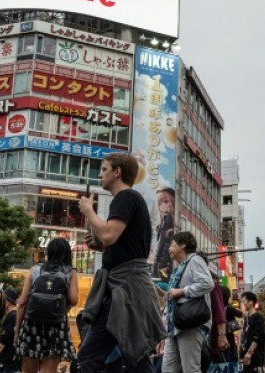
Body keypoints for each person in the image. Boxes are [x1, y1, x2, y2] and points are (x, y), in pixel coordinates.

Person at [78, 152, 165, 373]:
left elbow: (109, 235)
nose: (100, 175)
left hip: (123, 289)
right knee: (134, 355)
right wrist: (100, 247)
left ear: (117, 172)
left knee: (90, 357)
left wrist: (89, 211)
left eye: (104, 169)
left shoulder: (126, 197)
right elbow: (121, 244)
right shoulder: (132, 199)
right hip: (125, 288)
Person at [16, 238, 78, 372]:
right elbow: (73, 299)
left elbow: (22, 303)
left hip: (32, 323)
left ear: (48, 252)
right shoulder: (70, 271)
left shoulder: (35, 269)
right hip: (56, 325)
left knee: (27, 370)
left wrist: (17, 330)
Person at [160, 231, 213, 373]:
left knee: (191, 369)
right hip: (176, 325)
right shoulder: (180, 268)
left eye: (171, 245)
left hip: (190, 324)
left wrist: (182, 291)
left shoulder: (195, 260)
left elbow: (208, 284)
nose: (169, 249)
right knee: (168, 369)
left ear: (183, 245)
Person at [0, 288, 21, 373]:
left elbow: (5, 338)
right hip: (14, 360)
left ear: (7, 302)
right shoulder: (17, 315)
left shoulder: (12, 316)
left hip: (7, 361)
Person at [152, 188, 176, 280]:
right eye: (159, 203)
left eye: (165, 201)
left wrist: (156, 261)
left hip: (164, 261)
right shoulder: (164, 220)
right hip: (164, 261)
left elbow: (161, 244)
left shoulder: (167, 218)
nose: (161, 205)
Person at [240, 292, 265, 372]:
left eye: (244, 301)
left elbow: (257, 337)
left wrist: (249, 353)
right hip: (247, 356)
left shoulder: (257, 317)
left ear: (251, 302)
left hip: (255, 356)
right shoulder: (246, 319)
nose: (243, 303)